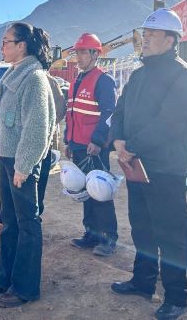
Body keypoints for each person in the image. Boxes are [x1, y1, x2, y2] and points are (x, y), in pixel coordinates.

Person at [110, 8, 187, 320]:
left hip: (165, 169)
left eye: (151, 35)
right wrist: (118, 140)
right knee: (142, 226)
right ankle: (143, 281)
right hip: (136, 165)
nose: (144, 40)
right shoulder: (138, 74)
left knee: (171, 233)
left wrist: (130, 146)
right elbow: (119, 111)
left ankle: (176, 296)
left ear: (170, 40)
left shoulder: (183, 75)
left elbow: (169, 123)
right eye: (143, 34)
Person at [0, 22, 56, 308]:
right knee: (9, 221)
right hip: (7, 158)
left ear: (21, 45)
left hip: (23, 161)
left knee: (27, 223)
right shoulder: (12, 74)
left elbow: (37, 128)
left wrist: (23, 166)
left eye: (6, 41)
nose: (2, 47)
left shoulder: (34, 78)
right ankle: (5, 278)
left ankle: (25, 287)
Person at [66, 33, 118, 256]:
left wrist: (97, 140)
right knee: (86, 192)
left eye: (82, 52)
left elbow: (109, 114)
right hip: (78, 145)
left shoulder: (103, 81)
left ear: (95, 54)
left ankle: (108, 238)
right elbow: (71, 113)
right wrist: (68, 140)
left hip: (94, 148)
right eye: (77, 52)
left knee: (100, 191)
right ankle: (91, 233)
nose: (78, 56)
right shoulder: (76, 81)